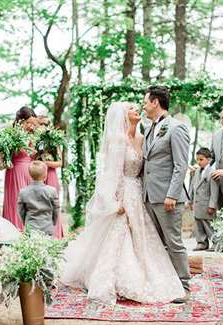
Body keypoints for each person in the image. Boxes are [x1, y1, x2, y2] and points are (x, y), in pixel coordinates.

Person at [60, 102, 185, 305]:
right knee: (120, 236)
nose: (137, 110)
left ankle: (151, 275)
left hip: (140, 192)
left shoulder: (143, 138)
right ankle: (116, 279)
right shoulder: (117, 140)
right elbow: (110, 173)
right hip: (123, 193)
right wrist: (113, 201)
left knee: (142, 237)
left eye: (137, 107)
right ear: (122, 116)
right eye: (131, 109)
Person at [142, 86, 190, 303]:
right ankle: (166, 283)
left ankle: (184, 284)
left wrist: (172, 194)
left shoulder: (176, 127)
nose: (143, 105)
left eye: (145, 101)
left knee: (174, 242)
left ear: (155, 102)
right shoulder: (150, 128)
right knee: (157, 243)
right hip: (149, 196)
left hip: (168, 197)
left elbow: (181, 165)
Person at [0, 106, 37, 230]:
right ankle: (14, 229)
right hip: (15, 171)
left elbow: (34, 155)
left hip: (30, 171)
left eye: (33, 123)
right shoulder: (11, 135)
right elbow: (4, 156)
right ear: (21, 121)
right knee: (16, 200)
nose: (31, 126)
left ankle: (29, 232)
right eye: (28, 123)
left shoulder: (33, 136)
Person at [34, 116, 64, 239]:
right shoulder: (35, 141)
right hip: (38, 176)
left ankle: (55, 235)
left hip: (50, 175)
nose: (43, 127)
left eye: (45, 124)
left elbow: (60, 163)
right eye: (40, 124)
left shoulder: (54, 142)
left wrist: (45, 163)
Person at [18, 161, 60, 236]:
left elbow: (21, 211)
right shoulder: (52, 191)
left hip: (31, 228)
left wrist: (25, 222)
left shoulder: (23, 192)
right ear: (45, 176)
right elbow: (56, 209)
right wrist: (53, 222)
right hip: (48, 227)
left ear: (30, 176)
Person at [188, 147, 218, 251]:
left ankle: (216, 242)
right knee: (198, 224)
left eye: (201, 159)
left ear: (209, 160)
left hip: (207, 204)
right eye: (197, 159)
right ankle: (201, 242)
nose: (199, 162)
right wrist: (190, 200)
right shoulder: (196, 172)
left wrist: (212, 205)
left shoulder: (212, 172)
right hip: (197, 204)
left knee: (209, 224)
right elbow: (193, 186)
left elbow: (214, 191)